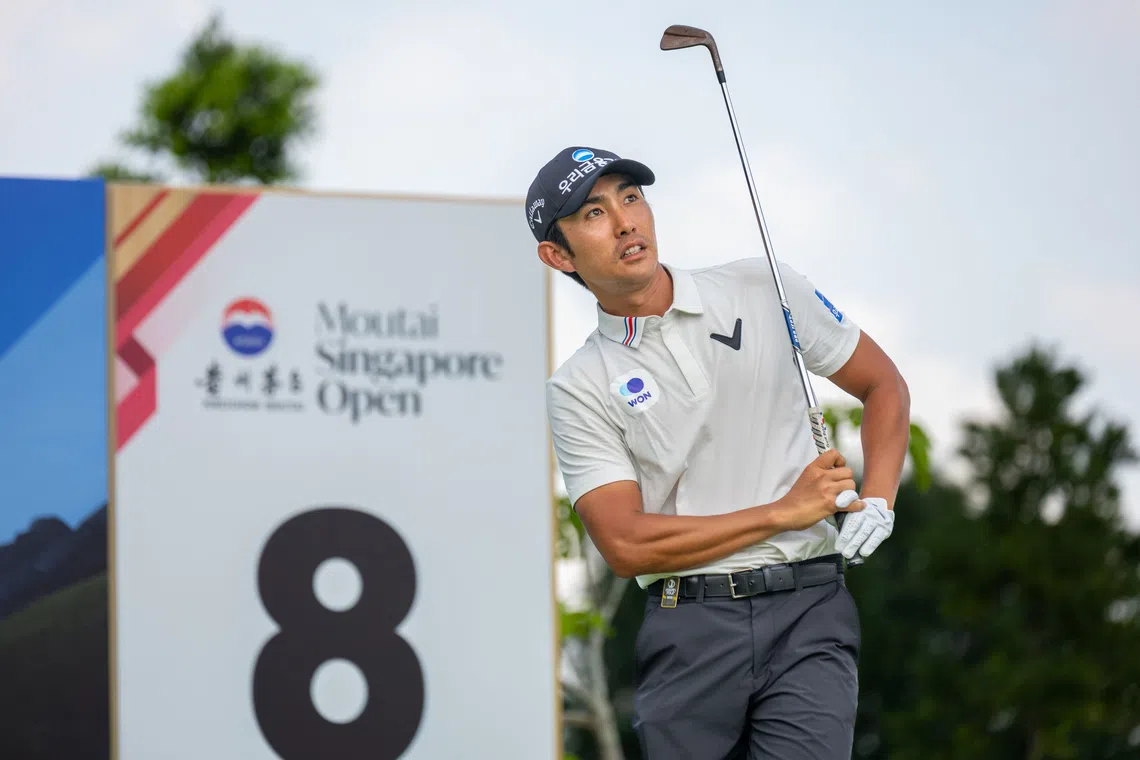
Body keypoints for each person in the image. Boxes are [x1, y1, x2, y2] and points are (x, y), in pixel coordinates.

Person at [527, 145, 911, 759]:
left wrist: (880, 498)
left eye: (631, 197)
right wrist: (782, 511)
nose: (626, 221)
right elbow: (625, 544)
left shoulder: (763, 287)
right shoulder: (578, 386)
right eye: (594, 213)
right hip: (691, 629)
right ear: (558, 254)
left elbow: (882, 384)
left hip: (808, 609)